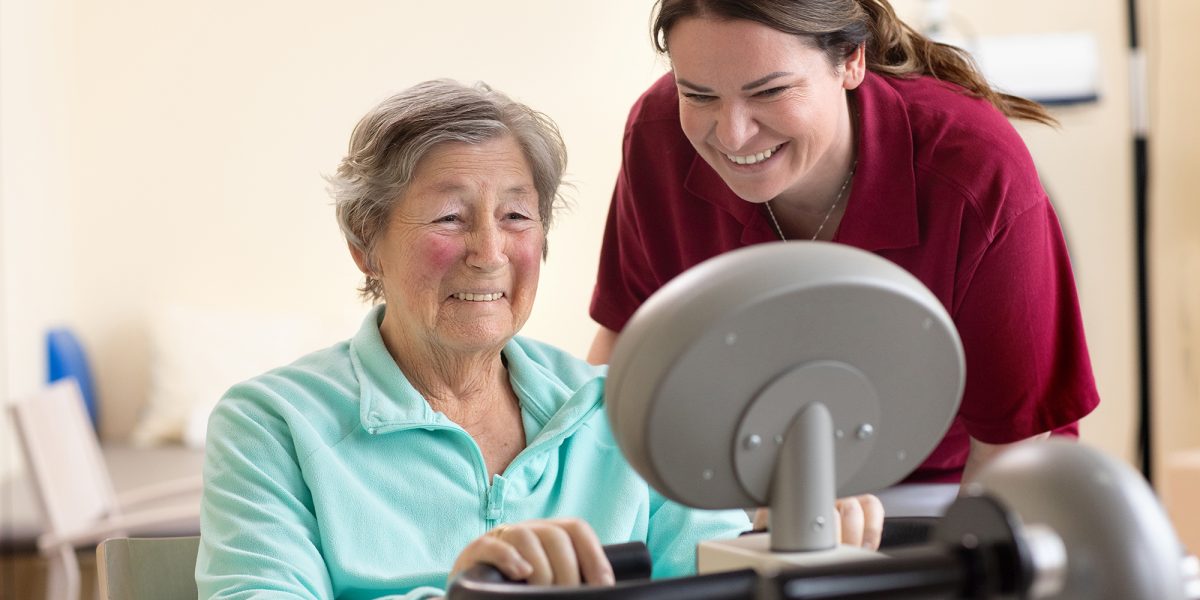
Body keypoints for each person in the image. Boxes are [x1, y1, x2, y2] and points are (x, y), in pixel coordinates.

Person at [195, 79, 761, 599]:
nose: (489, 254)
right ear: (365, 245)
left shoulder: (636, 410)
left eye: (516, 215)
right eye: (449, 217)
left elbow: (732, 583)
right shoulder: (273, 424)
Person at [588, 0, 1101, 487]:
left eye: (770, 91)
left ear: (852, 60)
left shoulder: (975, 169)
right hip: (740, 479)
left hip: (946, 485)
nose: (733, 134)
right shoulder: (658, 136)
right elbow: (625, 347)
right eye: (699, 96)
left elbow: (1012, 448)